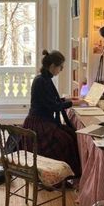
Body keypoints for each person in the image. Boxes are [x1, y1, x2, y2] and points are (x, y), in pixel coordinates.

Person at [23, 49, 81, 178]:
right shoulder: (41, 81)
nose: (61, 70)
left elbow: (51, 101)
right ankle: (58, 175)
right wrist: (72, 104)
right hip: (38, 122)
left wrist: (68, 100)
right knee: (65, 140)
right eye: (60, 67)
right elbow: (53, 106)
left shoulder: (44, 79)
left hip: (43, 120)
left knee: (71, 134)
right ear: (53, 66)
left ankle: (67, 174)